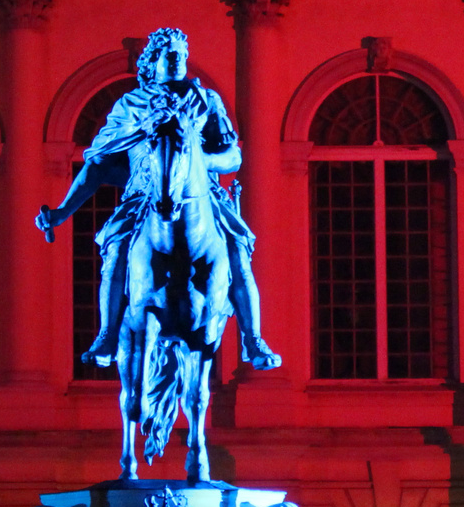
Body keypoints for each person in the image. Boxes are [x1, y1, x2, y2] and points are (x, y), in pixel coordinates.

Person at [35, 27, 281, 370]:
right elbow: (98, 165)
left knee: (238, 248)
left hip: (203, 194)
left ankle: (252, 338)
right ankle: (107, 334)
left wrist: (202, 161)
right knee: (117, 248)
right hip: (143, 195)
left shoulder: (206, 101)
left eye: (182, 54)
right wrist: (63, 210)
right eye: (170, 55)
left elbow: (232, 157)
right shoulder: (130, 106)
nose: (179, 60)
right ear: (153, 62)